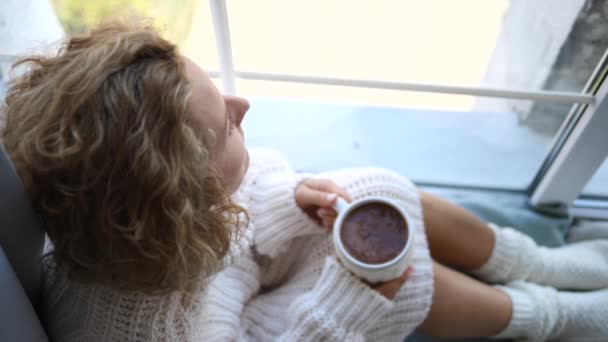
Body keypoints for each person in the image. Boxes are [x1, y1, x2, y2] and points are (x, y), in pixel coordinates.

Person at [1, 20, 607, 342]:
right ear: (181, 203)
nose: (243, 106)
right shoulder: (144, 333)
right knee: (394, 274)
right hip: (253, 329)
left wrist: (286, 200)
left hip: (226, 282)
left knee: (373, 193)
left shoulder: (120, 220)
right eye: (225, 131)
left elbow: (223, 234)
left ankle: (538, 264)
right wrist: (358, 303)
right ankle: (546, 316)